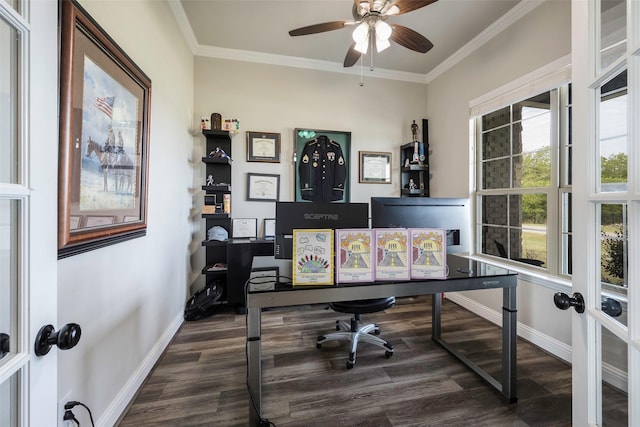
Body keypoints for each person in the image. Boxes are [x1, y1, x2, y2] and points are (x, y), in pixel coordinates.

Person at [298, 135, 346, 202]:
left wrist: (338, 190)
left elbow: (340, 169)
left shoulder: (335, 147)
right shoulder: (310, 146)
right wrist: (308, 189)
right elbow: (305, 168)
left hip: (331, 190)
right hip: (314, 190)